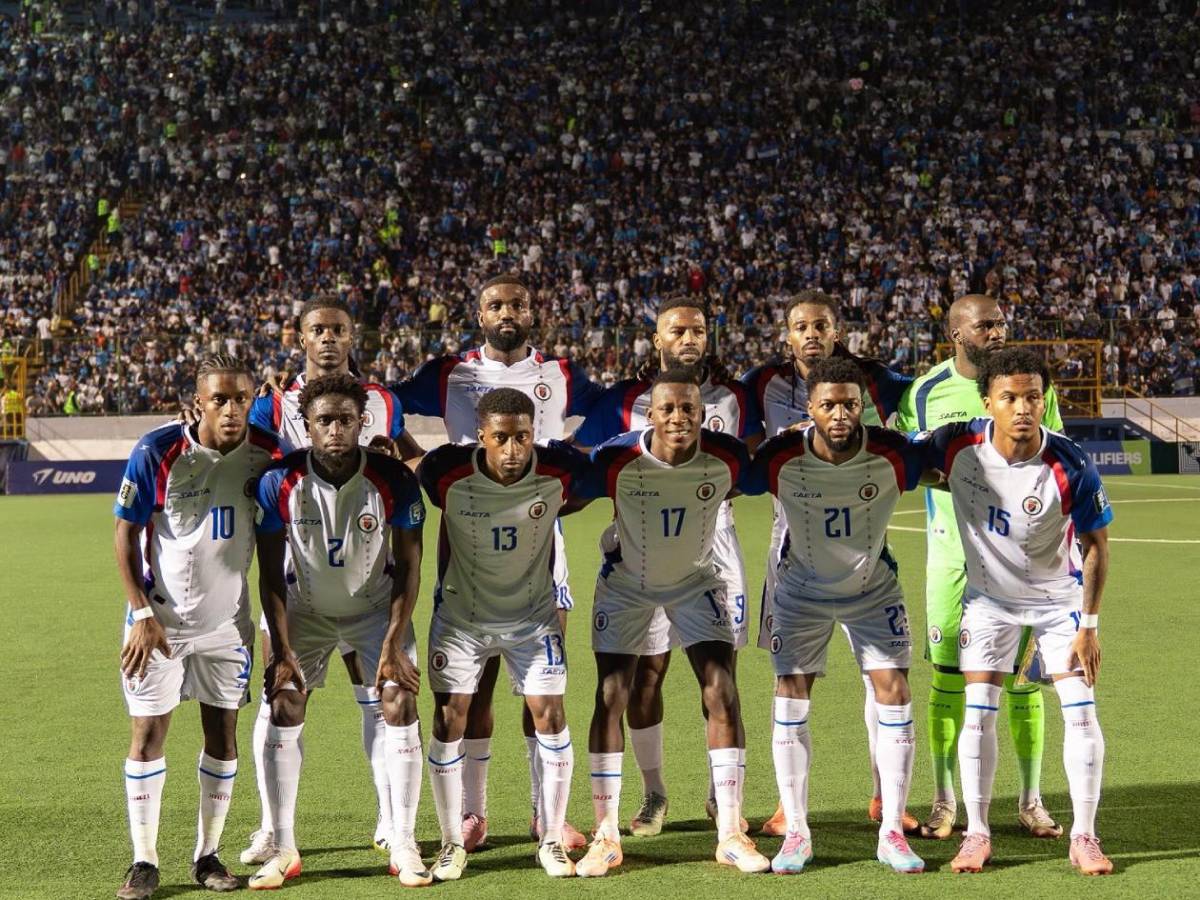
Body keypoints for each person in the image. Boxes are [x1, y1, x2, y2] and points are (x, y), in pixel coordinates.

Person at [391, 274, 602, 850]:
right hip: (471, 541)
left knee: (544, 694)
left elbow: (611, 411)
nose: (506, 312)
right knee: (472, 691)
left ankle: (545, 815)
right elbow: (381, 402)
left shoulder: (559, 374)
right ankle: (471, 814)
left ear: (533, 312)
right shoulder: (449, 373)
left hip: (541, 546)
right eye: (494, 304)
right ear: (479, 313)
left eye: (517, 304)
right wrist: (416, 457)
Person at [571, 295, 761, 836]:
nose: (688, 339)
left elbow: (748, 464)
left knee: (721, 676)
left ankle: (719, 793)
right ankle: (654, 793)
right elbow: (582, 457)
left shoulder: (736, 396)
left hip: (713, 544)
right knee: (646, 674)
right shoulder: (622, 402)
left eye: (698, 330)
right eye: (676, 331)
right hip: (641, 542)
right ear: (656, 340)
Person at [921, 349, 1113, 876]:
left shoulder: (1070, 460)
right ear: (989, 403)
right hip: (988, 602)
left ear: (1044, 399)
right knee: (979, 708)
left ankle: (1084, 836)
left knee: (1081, 711)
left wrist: (1089, 627)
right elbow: (894, 456)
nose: (1023, 407)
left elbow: (1097, 545)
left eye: (1033, 396)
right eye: (1009, 397)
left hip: (1058, 604)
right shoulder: (956, 444)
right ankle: (977, 834)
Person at [242, 296, 417, 864]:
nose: (327, 339)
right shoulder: (272, 406)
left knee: (379, 700)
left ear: (352, 335)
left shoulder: (382, 401)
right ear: (300, 337)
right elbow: (252, 466)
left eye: (337, 329)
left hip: (365, 562)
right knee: (281, 697)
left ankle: (393, 821)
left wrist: (397, 460)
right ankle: (272, 828)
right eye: (317, 330)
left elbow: (409, 461)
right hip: (303, 572)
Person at [741, 357, 929, 874]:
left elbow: (952, 464)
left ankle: (891, 828)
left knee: (894, 689)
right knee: (792, 695)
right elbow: (728, 476)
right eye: (829, 405)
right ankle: (797, 830)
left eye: (850, 403)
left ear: (864, 405)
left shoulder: (893, 453)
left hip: (872, 589)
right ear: (810, 409)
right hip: (800, 591)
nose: (841, 414)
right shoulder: (781, 456)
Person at [895, 294, 1064, 840]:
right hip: (951, 558)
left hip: (1019, 560)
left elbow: (1056, 455)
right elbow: (913, 461)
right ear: (956, 334)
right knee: (947, 680)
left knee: (1022, 682)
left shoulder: (1034, 384)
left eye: (1001, 323)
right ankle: (945, 802)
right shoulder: (924, 392)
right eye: (985, 325)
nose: (997, 331)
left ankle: (1031, 799)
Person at [113, 355, 279, 900]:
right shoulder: (158, 451)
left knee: (223, 737)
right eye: (220, 400)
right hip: (158, 626)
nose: (232, 410)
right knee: (148, 735)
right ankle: (144, 862)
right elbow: (124, 533)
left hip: (227, 628)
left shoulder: (267, 452)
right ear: (199, 401)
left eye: (242, 399)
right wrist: (139, 613)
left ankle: (207, 856)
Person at [415, 388, 589, 879]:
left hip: (532, 618)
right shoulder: (445, 472)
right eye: (501, 439)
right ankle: (452, 841)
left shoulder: (559, 471)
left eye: (522, 438)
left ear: (534, 434)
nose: (513, 451)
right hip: (462, 620)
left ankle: (552, 839)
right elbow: (414, 475)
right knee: (451, 717)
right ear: (481, 436)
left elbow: (605, 473)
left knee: (549, 713)